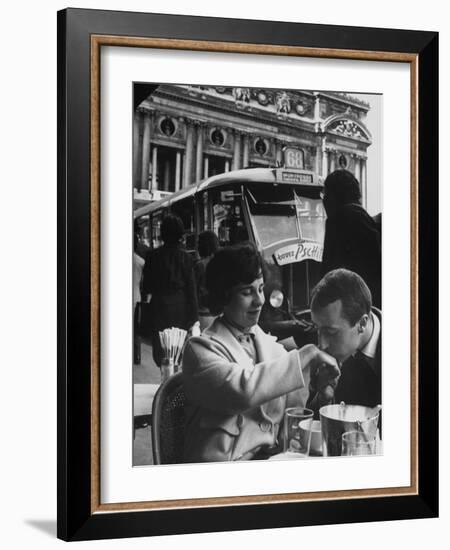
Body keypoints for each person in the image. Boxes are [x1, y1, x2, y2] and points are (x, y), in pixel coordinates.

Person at [182, 243, 339, 463]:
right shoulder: (200, 351)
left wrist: (318, 393)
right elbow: (243, 389)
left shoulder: (268, 345)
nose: (260, 300)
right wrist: (307, 355)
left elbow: (293, 411)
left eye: (260, 288)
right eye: (247, 292)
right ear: (223, 295)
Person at [307, 269, 381, 415]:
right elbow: (310, 426)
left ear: (362, 324)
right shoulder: (325, 348)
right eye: (317, 329)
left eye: (330, 332)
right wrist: (324, 400)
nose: (322, 345)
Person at [141, 214, 198, 367]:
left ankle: (164, 378)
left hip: (159, 307)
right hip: (181, 307)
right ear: (180, 233)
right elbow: (191, 288)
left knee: (161, 348)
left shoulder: (152, 256)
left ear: (163, 232)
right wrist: (194, 316)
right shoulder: (186, 258)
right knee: (177, 347)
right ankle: (175, 382)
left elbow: (146, 286)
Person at [321, 169, 381, 308]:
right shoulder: (366, 220)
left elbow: (329, 274)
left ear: (333, 197)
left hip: (350, 308)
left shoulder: (337, 220)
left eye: (326, 194)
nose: (324, 199)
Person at [194, 230, 220, 331]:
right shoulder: (221, 263)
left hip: (203, 315)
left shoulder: (199, 266)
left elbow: (194, 291)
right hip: (218, 314)